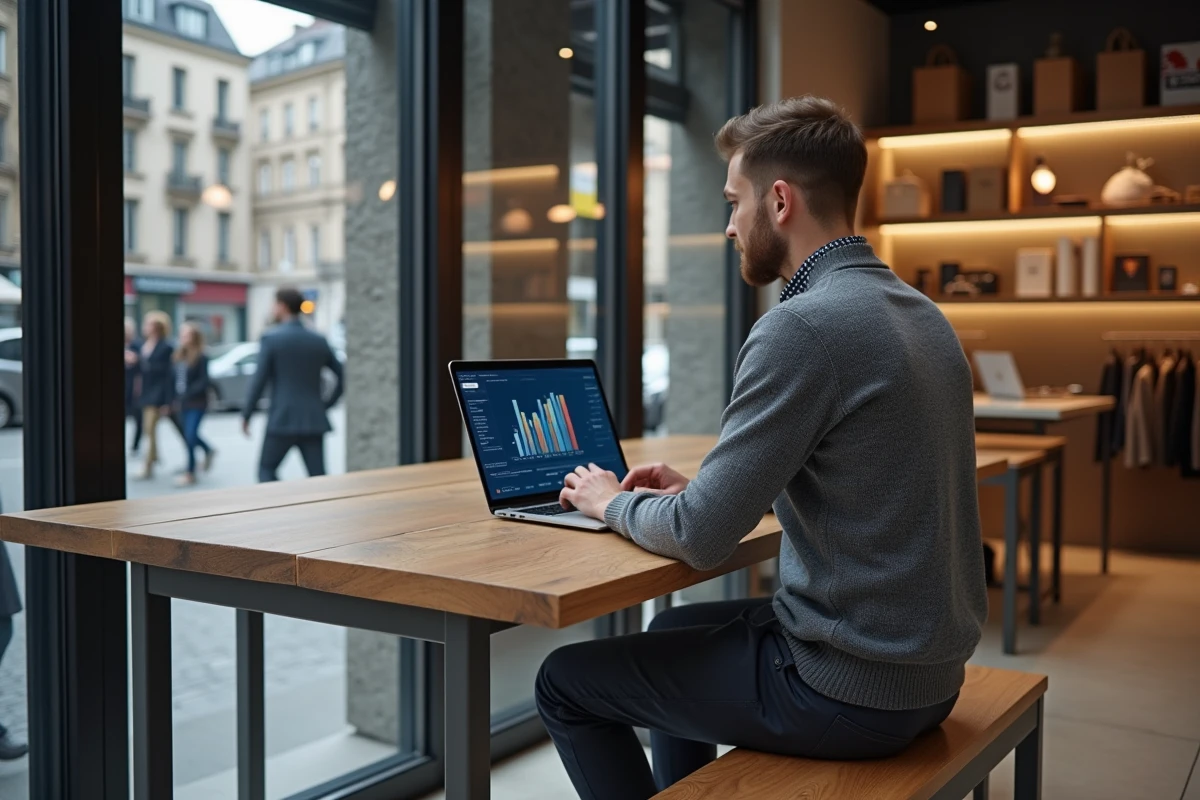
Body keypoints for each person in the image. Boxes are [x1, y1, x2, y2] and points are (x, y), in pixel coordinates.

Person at [536, 95, 987, 800]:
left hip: (851, 691)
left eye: (733, 201)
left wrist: (606, 503)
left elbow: (703, 538)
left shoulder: (803, 327)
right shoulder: (918, 312)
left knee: (563, 680)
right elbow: (864, 482)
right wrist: (708, 488)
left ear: (779, 201)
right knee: (675, 627)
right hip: (928, 673)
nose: (729, 226)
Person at [242, 288, 344, 482]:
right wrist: (327, 404)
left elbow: (259, 380)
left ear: (282, 306)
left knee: (266, 470)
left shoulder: (271, 338)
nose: (272, 309)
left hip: (282, 419)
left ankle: (278, 509)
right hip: (313, 419)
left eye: (274, 304)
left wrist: (247, 414)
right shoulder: (318, 339)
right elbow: (342, 375)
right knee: (318, 478)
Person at [172, 322, 214, 487]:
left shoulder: (201, 356)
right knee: (188, 436)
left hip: (196, 402)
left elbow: (204, 381)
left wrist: (187, 393)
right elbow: (173, 380)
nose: (183, 337)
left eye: (186, 334)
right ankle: (208, 450)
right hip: (181, 403)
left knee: (190, 435)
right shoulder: (178, 355)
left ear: (194, 337)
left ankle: (190, 472)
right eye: (181, 334)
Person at [137, 311, 175, 480]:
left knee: (150, 429)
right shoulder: (145, 344)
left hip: (158, 394)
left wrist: (167, 400)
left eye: (149, 324)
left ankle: (149, 464)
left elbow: (167, 374)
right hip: (145, 392)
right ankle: (154, 457)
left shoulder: (166, 347)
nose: (145, 327)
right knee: (149, 429)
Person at [124, 318, 144, 456]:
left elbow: (142, 365)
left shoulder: (137, 345)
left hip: (135, 387)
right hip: (124, 386)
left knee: (138, 418)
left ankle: (135, 445)